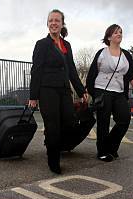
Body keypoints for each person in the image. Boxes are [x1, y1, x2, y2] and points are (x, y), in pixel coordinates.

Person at [28, 9, 88, 174]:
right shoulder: (42, 44)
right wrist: (33, 96)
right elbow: (36, 70)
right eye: (51, 21)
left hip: (64, 91)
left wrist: (81, 90)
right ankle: (53, 161)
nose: (53, 23)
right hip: (47, 91)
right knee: (53, 125)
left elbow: (72, 70)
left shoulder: (66, 45)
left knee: (70, 121)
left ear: (62, 24)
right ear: (48, 24)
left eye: (57, 20)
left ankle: (52, 142)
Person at [86, 24, 133, 161]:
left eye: (121, 32)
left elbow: (132, 76)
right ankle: (102, 152)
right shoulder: (101, 53)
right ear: (109, 37)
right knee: (103, 123)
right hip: (102, 90)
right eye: (116, 32)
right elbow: (92, 73)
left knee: (124, 119)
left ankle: (111, 146)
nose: (119, 34)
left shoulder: (126, 55)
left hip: (119, 92)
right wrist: (90, 92)